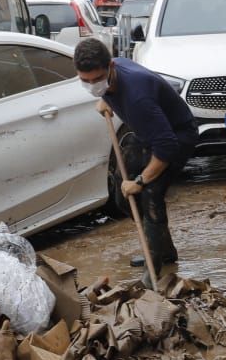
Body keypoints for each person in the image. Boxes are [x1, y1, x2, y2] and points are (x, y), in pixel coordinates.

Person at [73, 37, 199, 281]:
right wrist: (104, 97)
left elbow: (167, 147)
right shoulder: (114, 72)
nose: (92, 85)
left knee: (149, 194)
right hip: (148, 132)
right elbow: (107, 89)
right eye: (85, 81)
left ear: (110, 67)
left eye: (97, 80)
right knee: (122, 196)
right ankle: (163, 249)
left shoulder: (137, 98)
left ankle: (153, 270)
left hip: (176, 136)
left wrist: (140, 181)